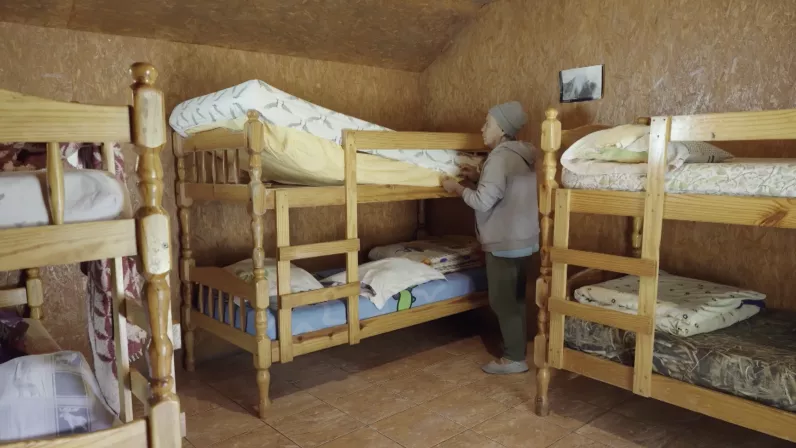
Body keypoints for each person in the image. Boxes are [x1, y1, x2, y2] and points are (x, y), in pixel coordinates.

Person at [442, 101, 538, 375]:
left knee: (502, 301)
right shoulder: (522, 155)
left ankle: (513, 359)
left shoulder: (498, 157)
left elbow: (483, 202)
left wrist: (456, 188)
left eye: (488, 123)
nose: (482, 128)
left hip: (504, 242)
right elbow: (500, 191)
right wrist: (479, 176)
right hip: (524, 239)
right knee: (516, 298)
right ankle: (517, 351)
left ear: (502, 128)